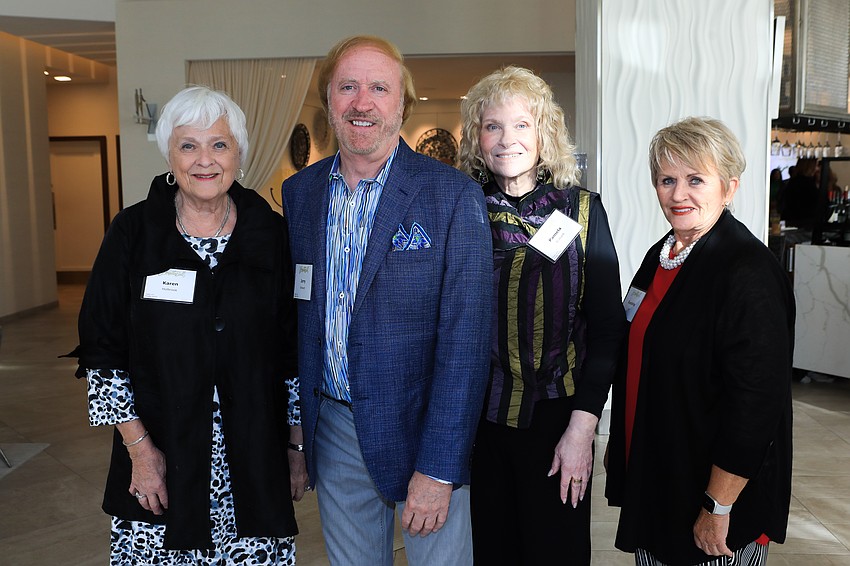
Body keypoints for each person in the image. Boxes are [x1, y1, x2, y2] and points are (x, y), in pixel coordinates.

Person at [281, 35, 492, 565]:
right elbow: (298, 323)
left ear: (402, 103)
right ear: (329, 99)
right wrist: (298, 435)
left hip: (423, 427)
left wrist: (439, 468)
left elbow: (466, 346)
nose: (362, 102)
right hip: (334, 427)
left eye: (379, 88)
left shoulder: (451, 195)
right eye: (347, 87)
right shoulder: (301, 194)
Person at [71, 86, 301, 564]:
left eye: (219, 144)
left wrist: (296, 447)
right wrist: (140, 451)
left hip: (253, 462)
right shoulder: (133, 233)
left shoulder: (271, 234)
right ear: (169, 156)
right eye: (188, 145)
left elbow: (293, 350)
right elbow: (102, 353)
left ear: (239, 154)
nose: (205, 160)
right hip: (162, 458)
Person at [605, 117, 794, 565]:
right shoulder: (662, 255)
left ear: (729, 188)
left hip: (712, 498)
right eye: (667, 180)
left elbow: (756, 404)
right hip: (662, 479)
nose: (678, 194)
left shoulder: (747, 270)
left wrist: (718, 506)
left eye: (695, 180)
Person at [457, 66, 626, 565]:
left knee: (557, 553)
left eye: (521, 124)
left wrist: (582, 430)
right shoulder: (460, 210)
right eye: (492, 126)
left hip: (560, 421)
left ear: (544, 132)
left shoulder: (582, 212)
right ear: (477, 138)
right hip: (479, 425)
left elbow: (608, 331)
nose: (506, 139)